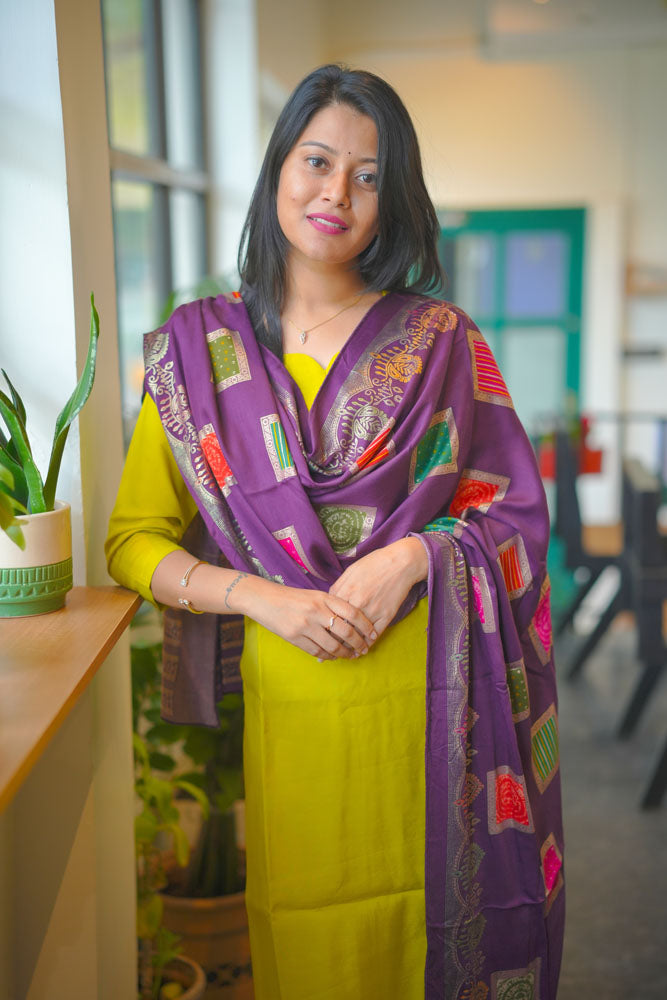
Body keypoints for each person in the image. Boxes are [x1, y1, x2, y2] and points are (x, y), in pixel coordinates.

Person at [106, 64, 564, 1000]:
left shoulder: (441, 339)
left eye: (367, 175)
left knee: (434, 932)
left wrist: (413, 554)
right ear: (279, 168)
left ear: (391, 199)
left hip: (437, 707)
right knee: (308, 944)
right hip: (296, 705)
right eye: (317, 162)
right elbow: (133, 539)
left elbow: (513, 514)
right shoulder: (201, 353)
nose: (336, 194)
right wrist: (261, 596)